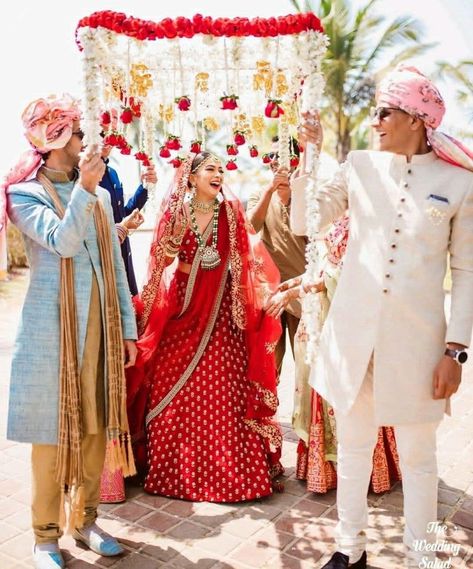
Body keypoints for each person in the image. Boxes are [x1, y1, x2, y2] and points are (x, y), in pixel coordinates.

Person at [290, 65, 473, 569]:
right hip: (351, 340)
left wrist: (454, 350)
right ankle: (349, 550)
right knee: (352, 451)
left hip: (417, 350)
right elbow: (305, 220)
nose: (376, 122)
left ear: (416, 118)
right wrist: (311, 154)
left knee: (420, 461)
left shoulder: (457, 183)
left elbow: (467, 270)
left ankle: (421, 558)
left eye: (385, 112)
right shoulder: (360, 166)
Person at [3, 94, 138, 569]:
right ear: (57, 138)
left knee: (96, 430)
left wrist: (127, 329)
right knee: (52, 434)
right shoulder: (24, 194)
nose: (86, 140)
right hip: (53, 337)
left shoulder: (98, 195)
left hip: (100, 329)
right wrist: (83, 187)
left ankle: (85, 520)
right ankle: (44, 536)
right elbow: (62, 243)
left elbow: (114, 268)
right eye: (79, 132)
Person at [126, 151, 283, 502]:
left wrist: (247, 298)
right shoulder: (178, 212)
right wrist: (173, 240)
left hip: (223, 310)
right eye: (210, 169)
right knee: (168, 378)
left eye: (222, 169)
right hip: (183, 307)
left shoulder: (230, 211)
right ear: (192, 177)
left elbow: (244, 253)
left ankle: (235, 472)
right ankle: (171, 469)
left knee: (227, 384)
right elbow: (163, 260)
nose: (219, 174)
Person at [266, 216, 401, 495]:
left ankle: (358, 471)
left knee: (349, 396)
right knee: (320, 391)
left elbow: (351, 276)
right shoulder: (340, 217)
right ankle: (326, 469)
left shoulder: (370, 219)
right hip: (320, 323)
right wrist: (298, 280)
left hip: (346, 325)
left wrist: (295, 291)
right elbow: (325, 266)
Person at [246, 137, 307, 376]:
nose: (274, 162)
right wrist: (271, 191)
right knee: (268, 366)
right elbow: (250, 227)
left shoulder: (306, 196)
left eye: (279, 156)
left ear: (294, 159)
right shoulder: (260, 194)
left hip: (300, 291)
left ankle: (308, 414)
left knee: (306, 366)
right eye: (271, 157)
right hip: (269, 294)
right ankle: (265, 414)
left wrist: (293, 194)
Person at [100, 140, 157, 295]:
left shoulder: (112, 173)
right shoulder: (82, 177)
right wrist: (122, 227)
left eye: (109, 135)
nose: (106, 140)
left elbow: (122, 215)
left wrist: (144, 186)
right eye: (101, 134)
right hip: (102, 260)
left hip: (123, 257)